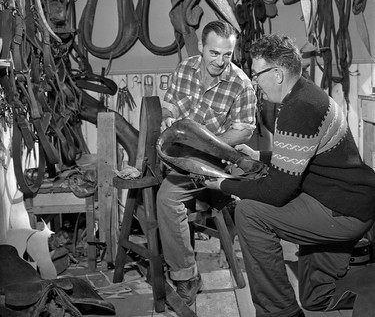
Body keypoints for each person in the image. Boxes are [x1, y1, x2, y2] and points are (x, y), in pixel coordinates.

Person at [204, 33, 375, 317]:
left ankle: (279, 311)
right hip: (352, 197)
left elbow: (277, 191)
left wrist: (224, 184)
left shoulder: (298, 109)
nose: (255, 82)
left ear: (278, 73)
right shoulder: (307, 93)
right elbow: (298, 157)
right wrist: (257, 156)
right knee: (314, 299)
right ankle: (326, 291)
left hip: (343, 210)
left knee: (249, 212)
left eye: (257, 74)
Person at [156, 20, 257, 306]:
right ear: (201, 47)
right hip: (177, 149)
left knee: (166, 199)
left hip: (214, 157)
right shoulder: (184, 69)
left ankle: (185, 275)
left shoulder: (240, 83)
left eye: (227, 55)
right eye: (214, 53)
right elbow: (171, 103)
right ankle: (178, 257)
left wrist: (211, 143)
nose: (221, 61)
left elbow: (245, 129)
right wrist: (167, 115)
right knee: (151, 187)